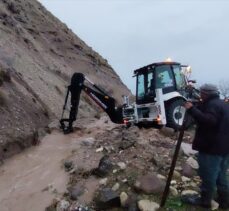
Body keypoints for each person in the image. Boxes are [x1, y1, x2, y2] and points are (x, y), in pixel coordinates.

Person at [183, 83, 229, 209]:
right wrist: (197, 107)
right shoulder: (222, 104)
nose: (200, 94)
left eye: (201, 92)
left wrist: (192, 109)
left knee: (208, 175)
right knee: (221, 175)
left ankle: (205, 201)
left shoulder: (212, 105)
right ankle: (224, 201)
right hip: (224, 148)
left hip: (211, 148)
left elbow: (209, 121)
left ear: (205, 93)